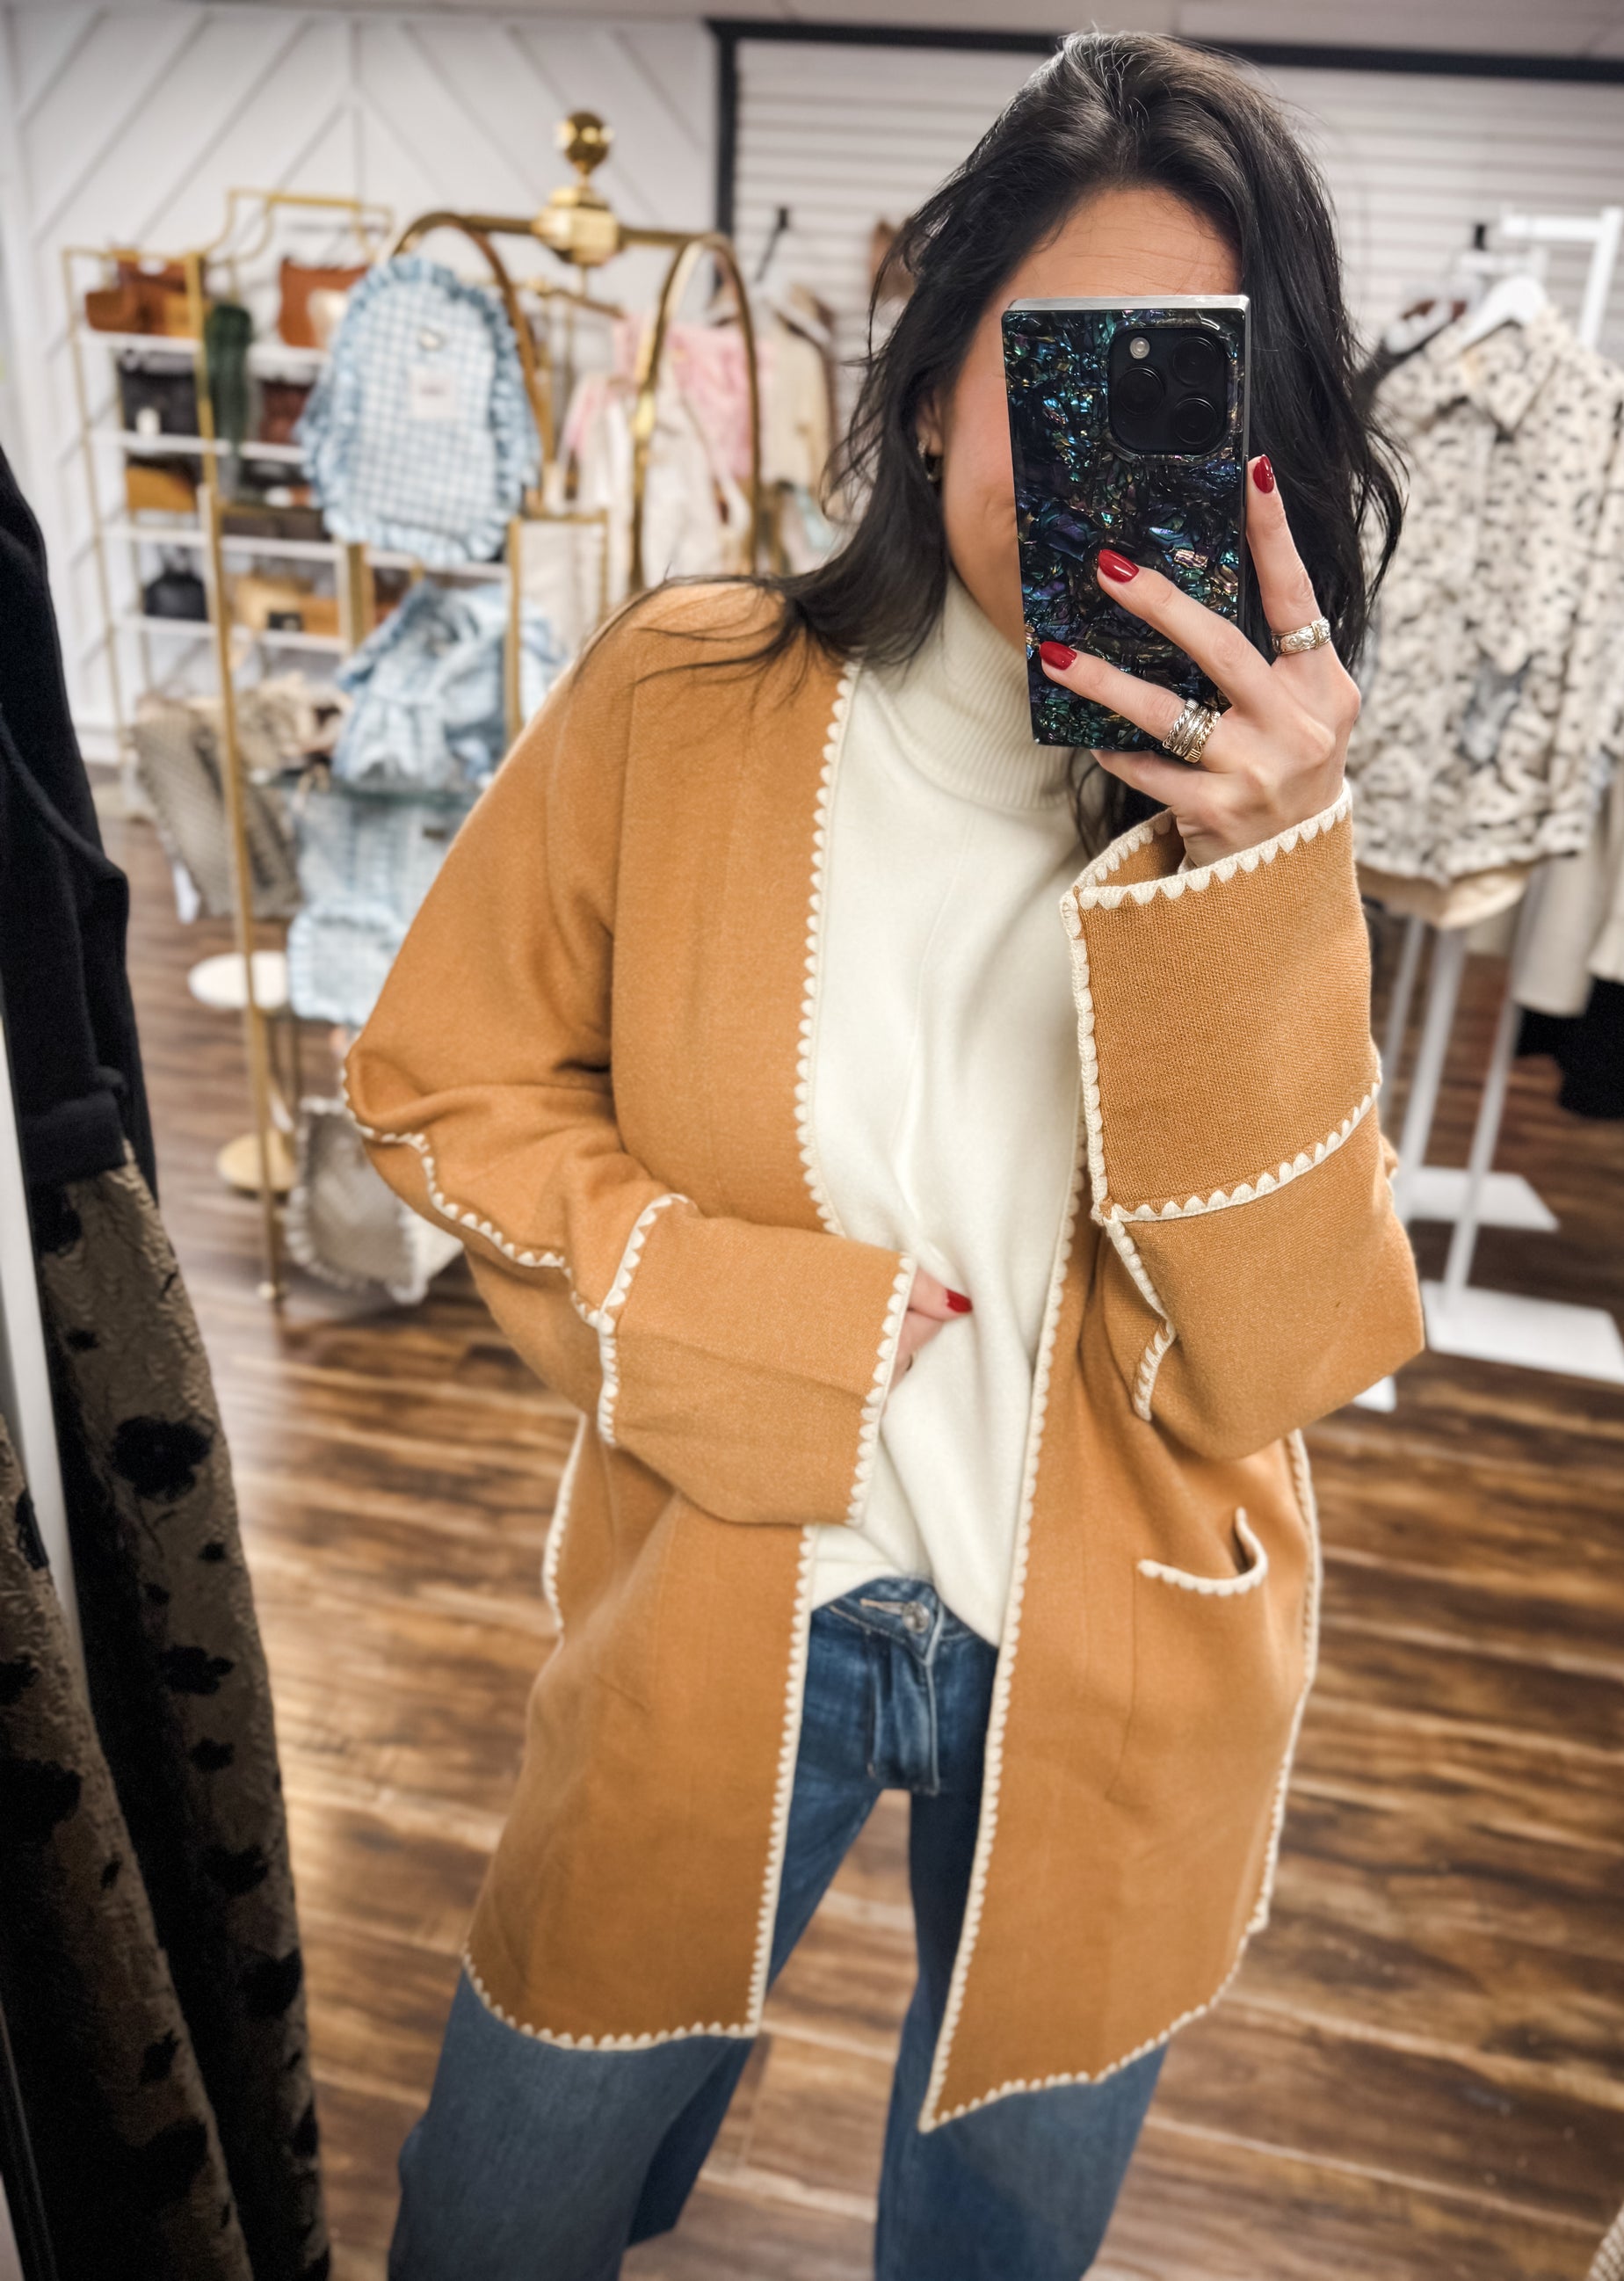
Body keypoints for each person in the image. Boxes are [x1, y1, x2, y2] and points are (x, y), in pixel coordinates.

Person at [348, 31, 1421, 2281]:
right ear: (933, 385)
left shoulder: (1259, 812)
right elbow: (442, 1080)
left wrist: (1263, 878)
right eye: (1059, 365)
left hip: (1118, 1644)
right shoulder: (684, 696)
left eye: (1185, 389)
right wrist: (753, 1326)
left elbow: (1279, 1351)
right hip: (737, 1566)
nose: (1100, 448)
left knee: (998, 2249)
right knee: (496, 2212)